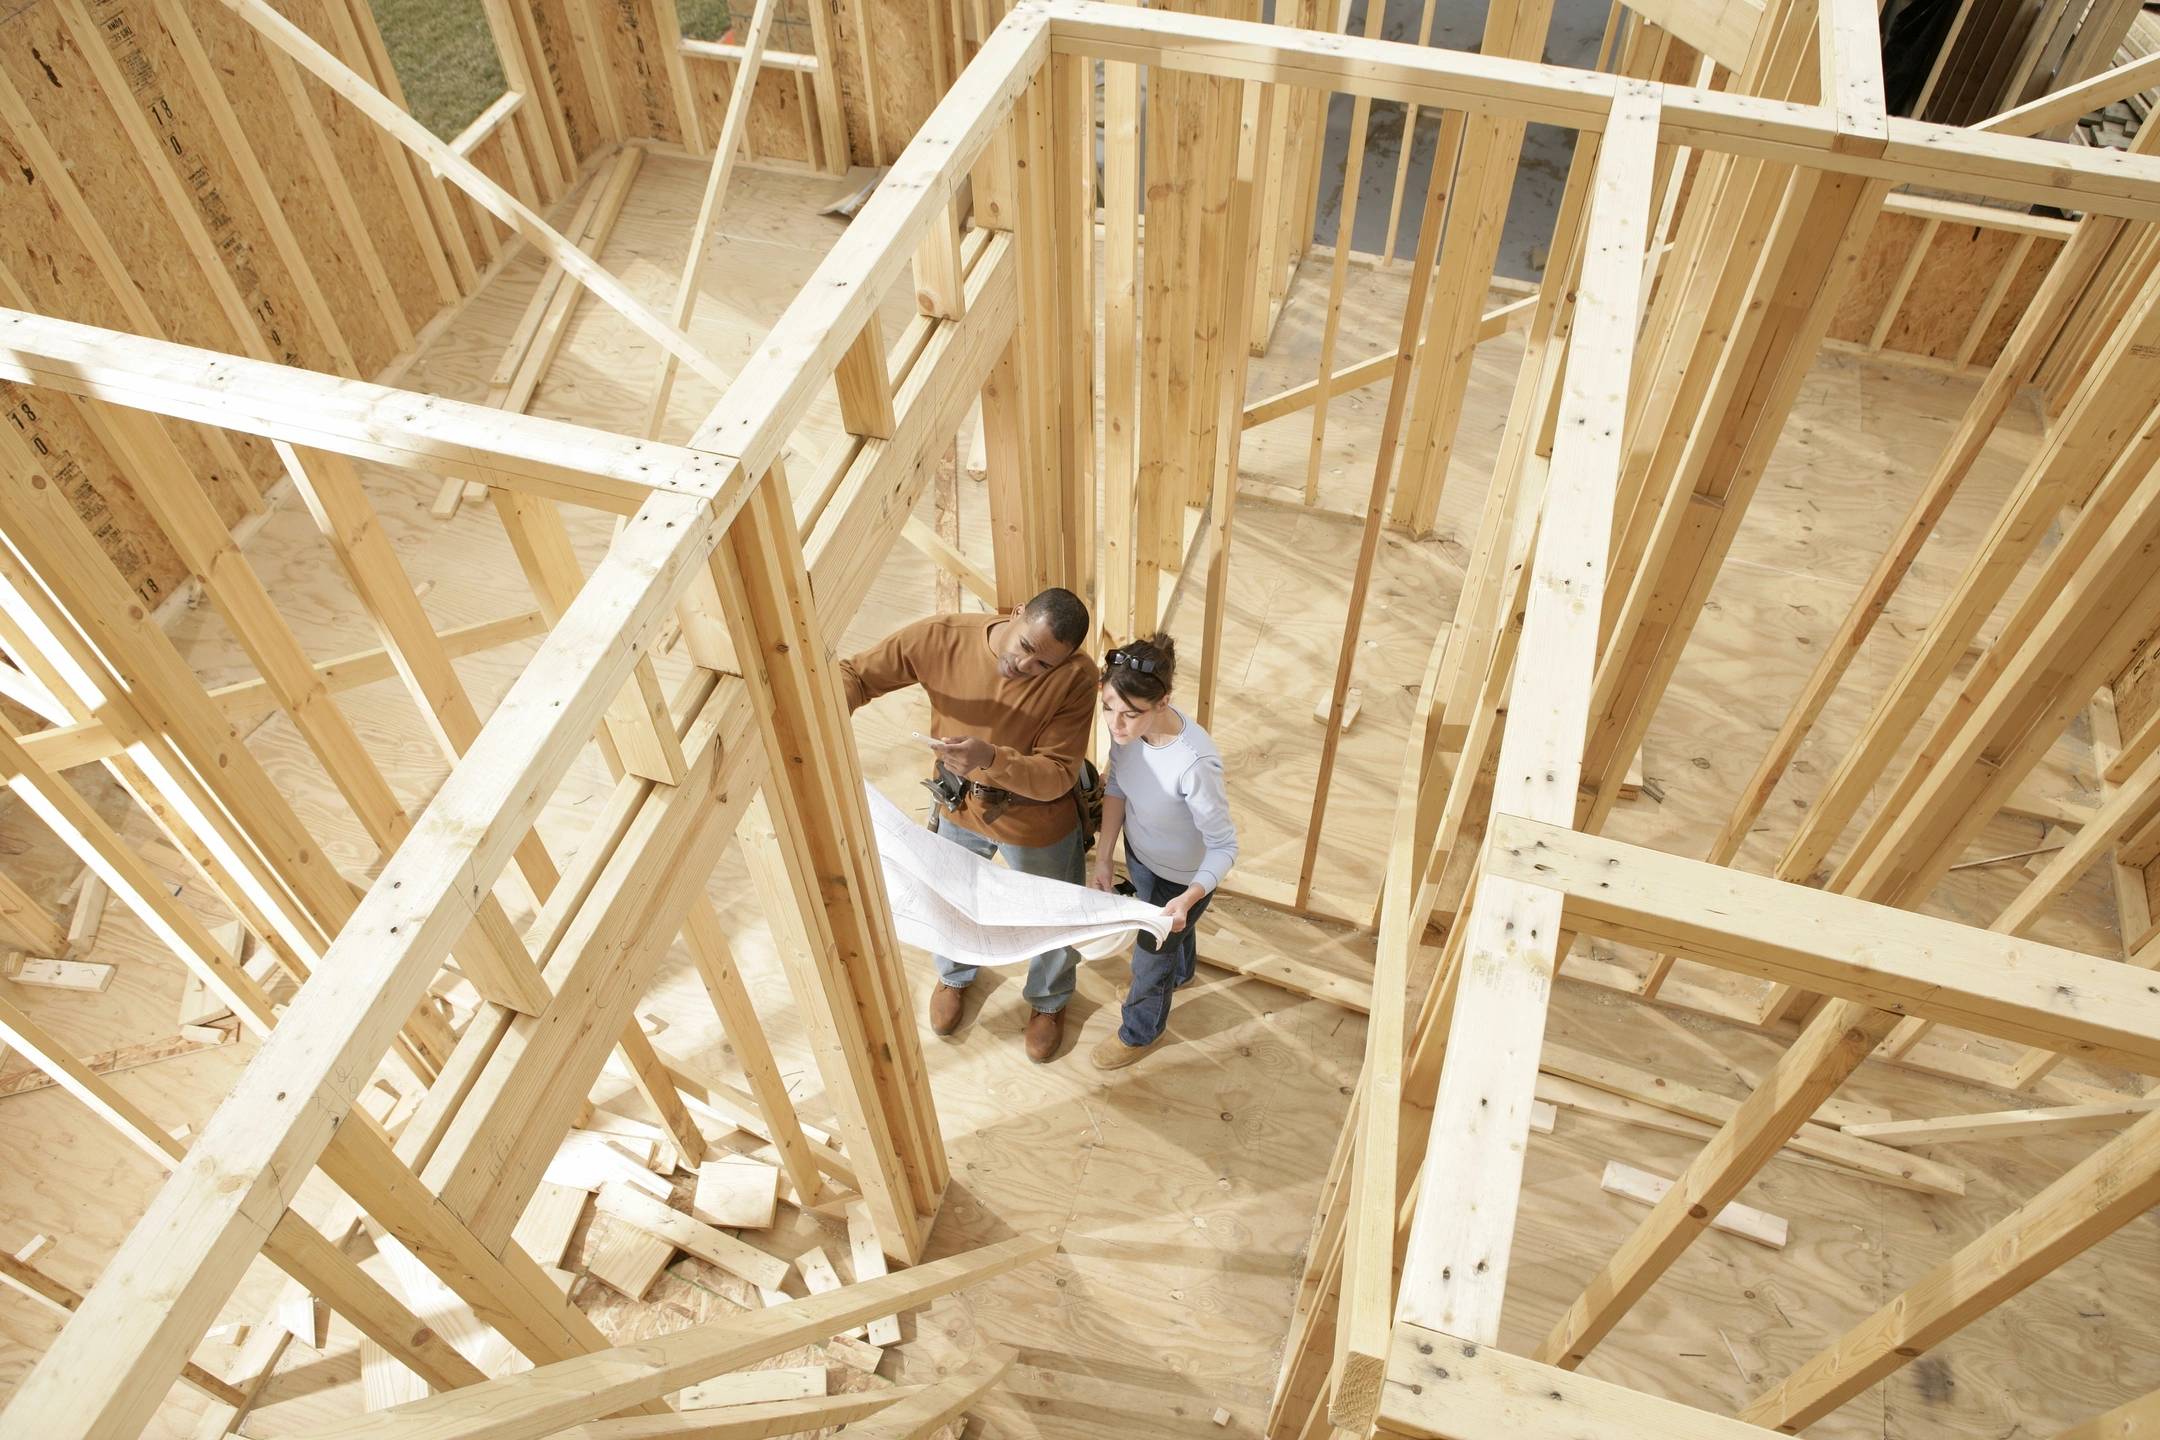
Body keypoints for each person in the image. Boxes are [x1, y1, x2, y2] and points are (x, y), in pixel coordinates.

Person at [840, 588, 1097, 1063]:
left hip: (1035, 817)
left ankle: (1049, 999)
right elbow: (855, 675)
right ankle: (955, 972)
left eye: (1043, 665)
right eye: (1024, 647)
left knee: (1052, 912)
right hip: (960, 804)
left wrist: (990, 759)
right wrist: (825, 711)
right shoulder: (941, 639)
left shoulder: (1078, 679)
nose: (1025, 667)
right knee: (951, 894)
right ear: (1017, 614)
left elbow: (1058, 774)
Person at [1086, 633, 1237, 1070]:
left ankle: (1140, 1033)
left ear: (1163, 702)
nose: (1116, 725)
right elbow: (1116, 786)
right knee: (1173, 944)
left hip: (1183, 877)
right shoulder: (1128, 734)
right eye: (1109, 707)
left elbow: (1225, 846)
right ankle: (1182, 973)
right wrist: (1104, 858)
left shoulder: (1194, 765)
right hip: (1142, 855)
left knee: (1149, 963)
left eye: (1130, 714)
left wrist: (1188, 898)